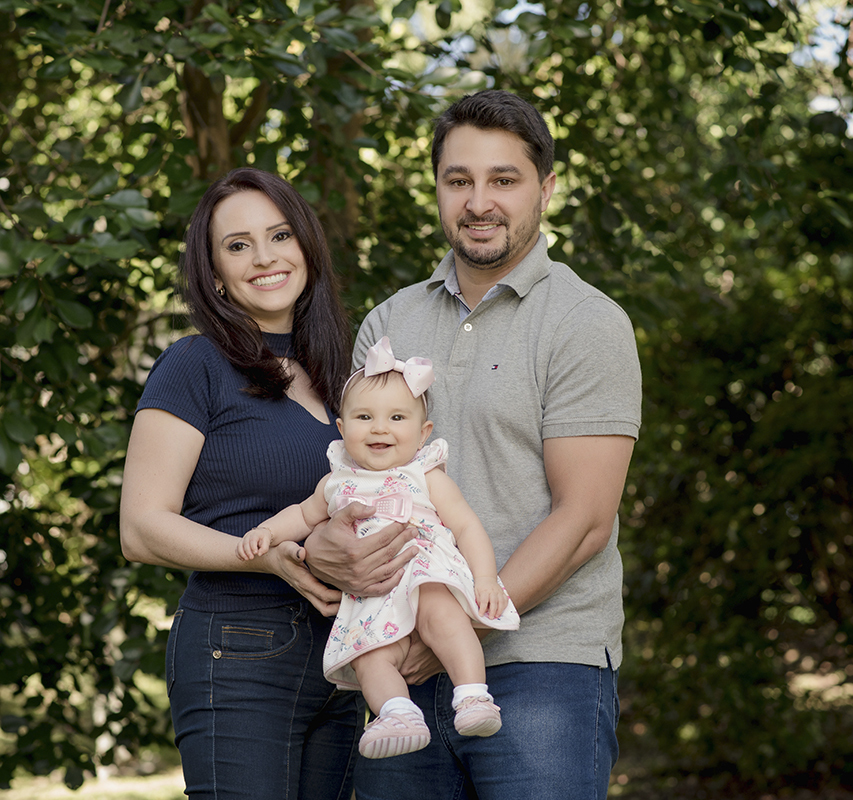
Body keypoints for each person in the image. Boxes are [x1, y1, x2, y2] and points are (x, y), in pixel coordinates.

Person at [303, 89, 643, 799]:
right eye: (459, 180)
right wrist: (327, 547)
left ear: (545, 189)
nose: (478, 201)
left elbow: (583, 520)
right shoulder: (389, 323)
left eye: (504, 180)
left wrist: (456, 629)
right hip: (396, 662)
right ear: (437, 189)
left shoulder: (586, 322)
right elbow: (359, 482)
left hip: (542, 665)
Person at [119, 167, 418, 799]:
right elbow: (141, 527)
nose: (264, 258)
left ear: (306, 244)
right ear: (215, 272)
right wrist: (263, 557)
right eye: (237, 245)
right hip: (238, 647)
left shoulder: (344, 377)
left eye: (279, 234)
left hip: (346, 655)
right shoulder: (194, 364)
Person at [237, 336, 520, 760]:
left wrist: (484, 577)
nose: (379, 427)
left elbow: (466, 525)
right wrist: (267, 533)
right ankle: (396, 713)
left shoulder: (425, 475)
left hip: (423, 575)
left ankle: (473, 695)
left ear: (423, 433)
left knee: (445, 617)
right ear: (342, 428)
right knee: (370, 657)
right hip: (372, 597)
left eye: (397, 417)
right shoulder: (334, 482)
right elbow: (301, 515)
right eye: (364, 417)